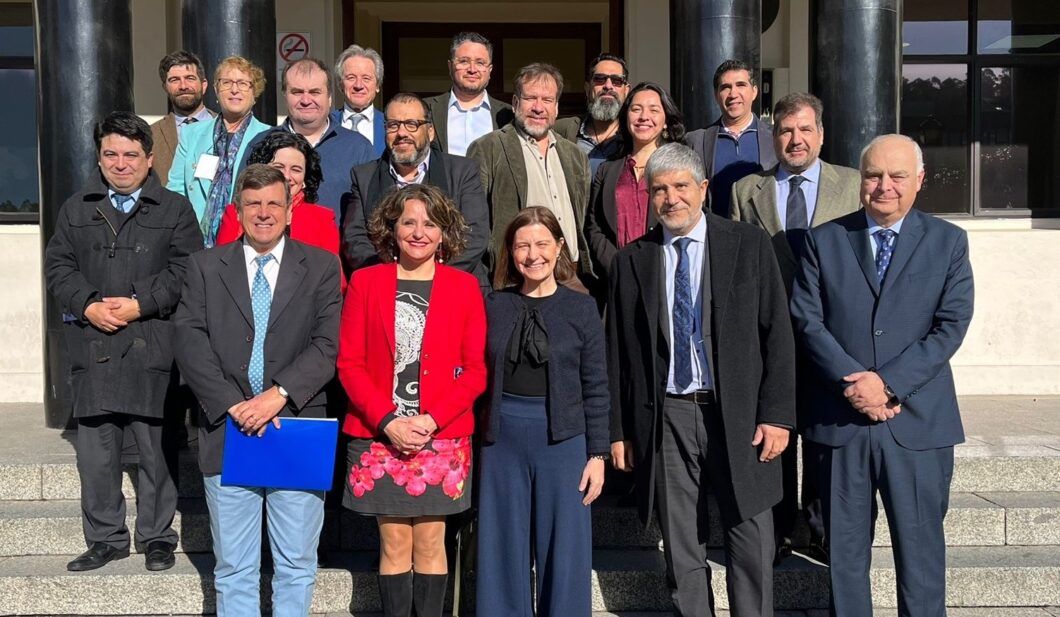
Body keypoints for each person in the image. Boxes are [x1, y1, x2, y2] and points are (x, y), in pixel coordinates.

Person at [608, 143, 795, 617]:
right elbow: (618, 354)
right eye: (660, 190)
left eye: (681, 187)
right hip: (668, 415)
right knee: (682, 541)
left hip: (740, 413)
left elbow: (778, 335)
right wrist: (619, 432)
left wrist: (777, 415)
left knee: (750, 534)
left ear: (704, 189)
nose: (671, 198)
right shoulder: (634, 260)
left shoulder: (748, 244)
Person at [790, 134, 974, 617]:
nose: (884, 186)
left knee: (921, 557)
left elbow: (951, 324)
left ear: (919, 180)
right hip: (840, 421)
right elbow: (808, 321)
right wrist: (856, 383)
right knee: (845, 558)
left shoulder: (949, 242)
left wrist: (886, 383)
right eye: (873, 175)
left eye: (897, 176)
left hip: (916, 422)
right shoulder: (824, 240)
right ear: (859, 180)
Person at [173, 164, 342, 616]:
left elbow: (328, 345)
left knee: (296, 563)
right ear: (238, 210)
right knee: (234, 567)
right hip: (227, 428)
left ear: (290, 211)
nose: (263, 213)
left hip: (295, 425)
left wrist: (276, 396)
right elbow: (188, 338)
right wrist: (234, 404)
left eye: (273, 203)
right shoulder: (205, 266)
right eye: (253, 204)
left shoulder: (322, 266)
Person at [44, 111, 203, 572]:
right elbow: (58, 267)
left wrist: (140, 303)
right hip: (93, 343)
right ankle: (105, 538)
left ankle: (156, 537)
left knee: (155, 449)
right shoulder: (77, 208)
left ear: (149, 159)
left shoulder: (174, 209)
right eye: (111, 154)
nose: (120, 163)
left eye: (131, 154)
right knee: (96, 453)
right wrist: (89, 303)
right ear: (99, 157)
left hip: (152, 341)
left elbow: (185, 270)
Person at [337, 184, 486, 617]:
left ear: (444, 233)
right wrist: (389, 421)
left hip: (441, 437)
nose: (418, 232)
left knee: (431, 541)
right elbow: (349, 364)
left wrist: (431, 420)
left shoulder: (463, 287)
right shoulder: (366, 282)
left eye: (429, 223)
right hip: (379, 436)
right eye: (408, 222)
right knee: (395, 542)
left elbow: (475, 371)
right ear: (392, 228)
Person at [729, 92, 861, 564]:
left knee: (826, 436)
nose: (796, 139)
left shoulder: (852, 186)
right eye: (786, 130)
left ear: (821, 135)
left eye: (806, 129)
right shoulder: (747, 191)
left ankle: (822, 528)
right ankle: (782, 528)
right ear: (773, 136)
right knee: (775, 431)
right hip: (771, 335)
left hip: (834, 334)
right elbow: (738, 268)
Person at [476, 206, 609, 617]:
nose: (533, 255)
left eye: (541, 244)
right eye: (522, 246)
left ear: (560, 247)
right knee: (500, 550)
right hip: (502, 440)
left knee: (565, 552)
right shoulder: (493, 304)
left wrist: (598, 454)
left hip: (564, 440)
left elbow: (597, 385)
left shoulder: (581, 307)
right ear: (510, 252)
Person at [344, 93, 489, 289]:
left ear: (430, 131)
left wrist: (429, 279)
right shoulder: (364, 177)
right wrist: (396, 279)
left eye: (412, 124)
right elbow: (355, 240)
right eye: (393, 125)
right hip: (386, 287)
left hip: (454, 285)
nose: (402, 133)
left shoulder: (462, 172)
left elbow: (475, 236)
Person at [466, 63, 593, 284]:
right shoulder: (489, 148)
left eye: (547, 100)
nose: (538, 107)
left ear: (556, 107)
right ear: (515, 103)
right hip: (516, 278)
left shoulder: (575, 155)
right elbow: (474, 223)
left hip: (569, 275)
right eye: (530, 98)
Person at [241, 57, 374, 221]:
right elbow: (241, 206)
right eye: (297, 92)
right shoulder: (260, 144)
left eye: (314, 92)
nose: (305, 100)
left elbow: (371, 214)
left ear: (330, 97)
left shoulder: (359, 148)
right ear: (285, 95)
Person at [585, 81, 685, 282]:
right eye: (636, 109)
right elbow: (594, 226)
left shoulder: (681, 168)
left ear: (666, 120)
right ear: (626, 116)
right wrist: (618, 265)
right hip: (616, 277)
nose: (643, 117)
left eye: (653, 110)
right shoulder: (607, 170)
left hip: (665, 275)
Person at [167, 55, 272, 247]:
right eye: (226, 83)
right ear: (216, 89)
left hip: (247, 239)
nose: (234, 90)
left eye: (242, 83)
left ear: (254, 92)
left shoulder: (269, 137)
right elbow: (176, 191)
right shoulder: (191, 134)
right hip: (195, 240)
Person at [216, 131, 340, 259]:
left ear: (305, 178)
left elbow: (331, 274)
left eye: (296, 170)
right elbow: (222, 265)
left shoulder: (322, 219)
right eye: (278, 167)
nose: (286, 176)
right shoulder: (236, 212)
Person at [685, 59, 778, 218]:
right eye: (725, 87)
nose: (733, 94)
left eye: (741, 85)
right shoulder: (696, 141)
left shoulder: (775, 138)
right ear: (716, 95)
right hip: (717, 234)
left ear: (754, 91)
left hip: (764, 235)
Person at [424, 32, 514, 157]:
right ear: (450, 67)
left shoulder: (509, 116)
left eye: (480, 63)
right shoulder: (425, 109)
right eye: (464, 61)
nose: (472, 69)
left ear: (490, 70)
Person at [554, 53, 631, 175]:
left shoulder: (634, 135)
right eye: (600, 79)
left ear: (626, 91)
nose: (608, 86)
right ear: (587, 88)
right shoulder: (561, 130)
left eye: (617, 80)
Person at [150, 50, 215, 184]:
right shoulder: (151, 134)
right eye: (174, 80)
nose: (183, 86)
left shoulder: (227, 126)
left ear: (204, 85)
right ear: (165, 88)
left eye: (190, 78)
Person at [332, 45, 386, 156]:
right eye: (351, 77)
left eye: (366, 78)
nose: (358, 85)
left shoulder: (389, 125)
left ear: (377, 86)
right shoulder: (326, 124)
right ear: (341, 84)